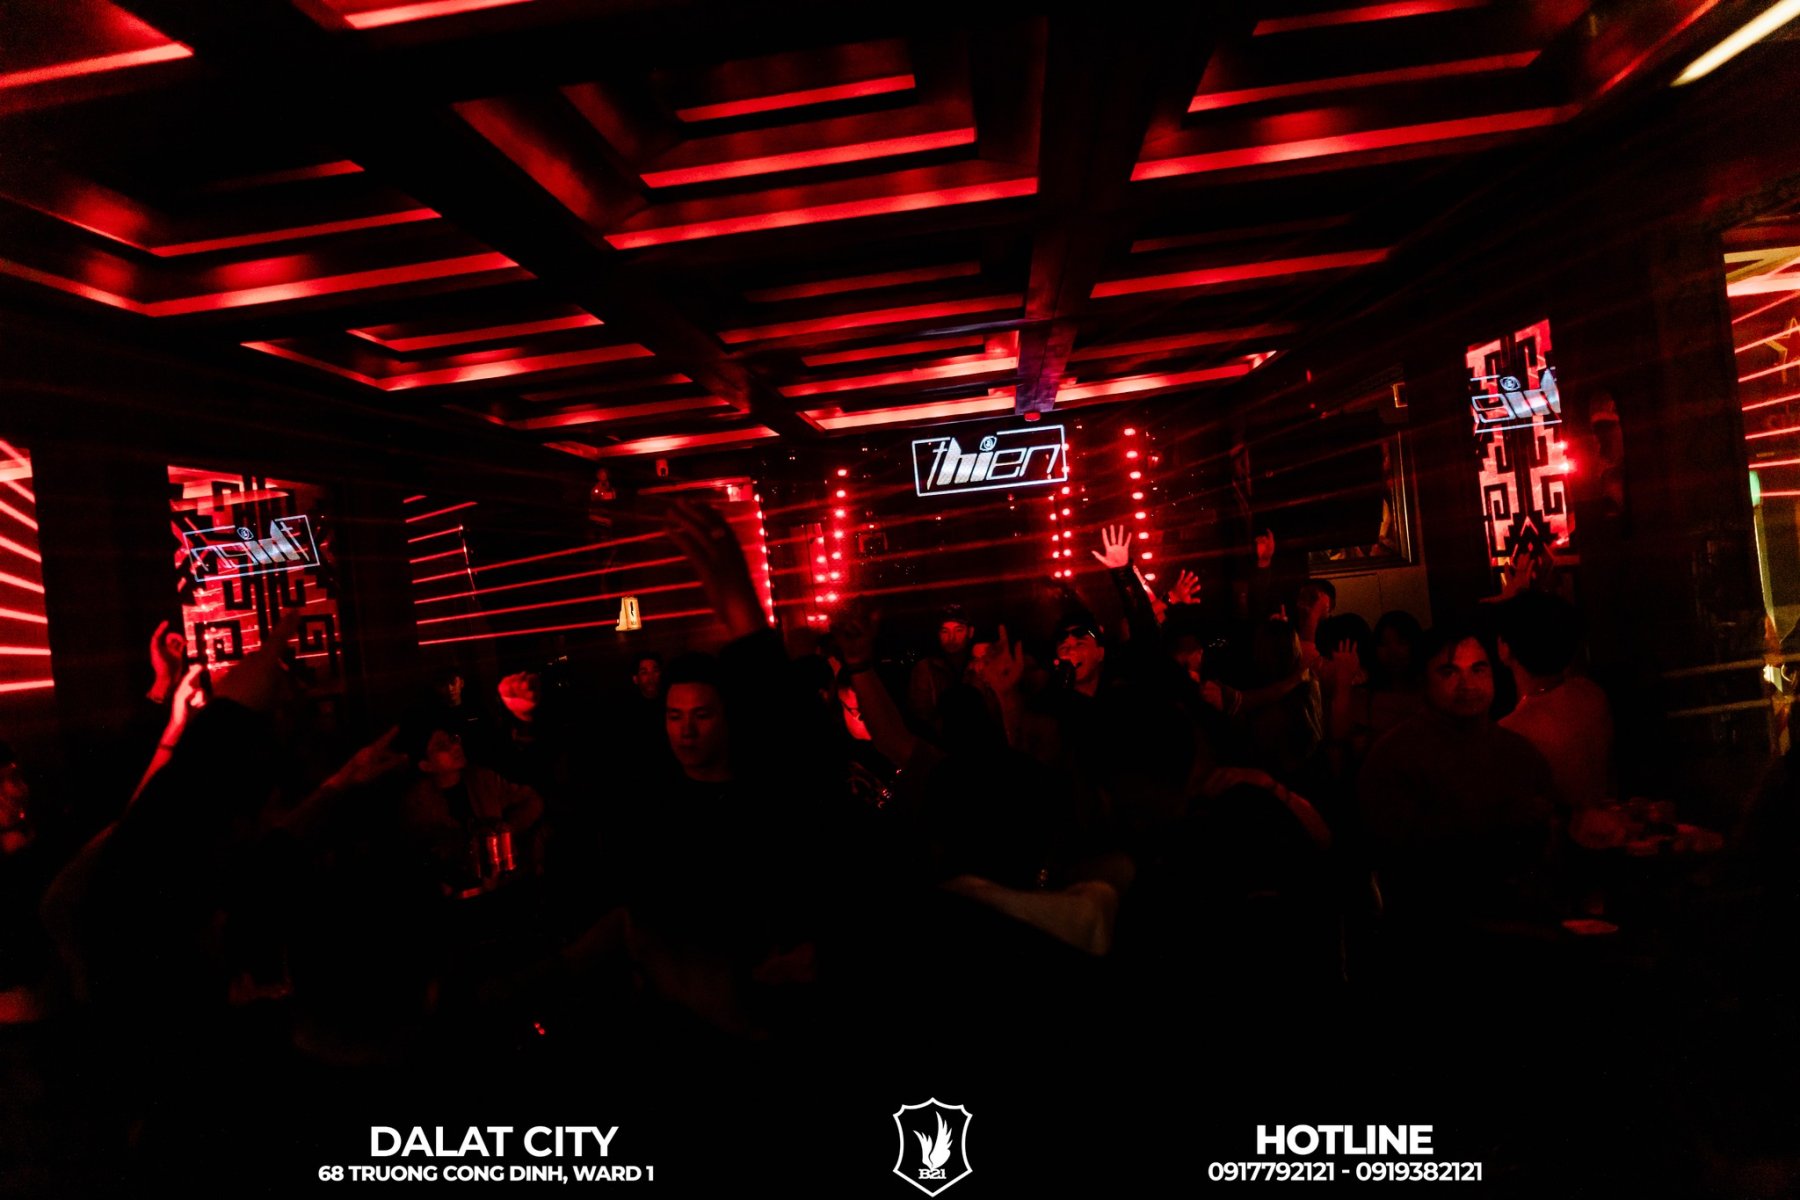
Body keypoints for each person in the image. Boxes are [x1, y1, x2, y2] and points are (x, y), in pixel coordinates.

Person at [1356, 623, 1558, 949]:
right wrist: (1497, 822)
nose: (1468, 684)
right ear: (1424, 680)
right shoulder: (1397, 755)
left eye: (1478, 669)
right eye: (1449, 672)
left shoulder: (1519, 752)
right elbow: (1395, 854)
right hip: (1434, 935)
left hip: (1522, 927)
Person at [1496, 592, 1615, 827]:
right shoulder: (1591, 694)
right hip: (1608, 827)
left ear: (1505, 649)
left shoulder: (1511, 731)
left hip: (1564, 842)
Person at [908, 604, 974, 732]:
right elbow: (921, 716)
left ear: (970, 632)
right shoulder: (925, 669)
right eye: (945, 631)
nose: (951, 638)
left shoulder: (980, 666)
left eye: (958, 630)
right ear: (938, 634)